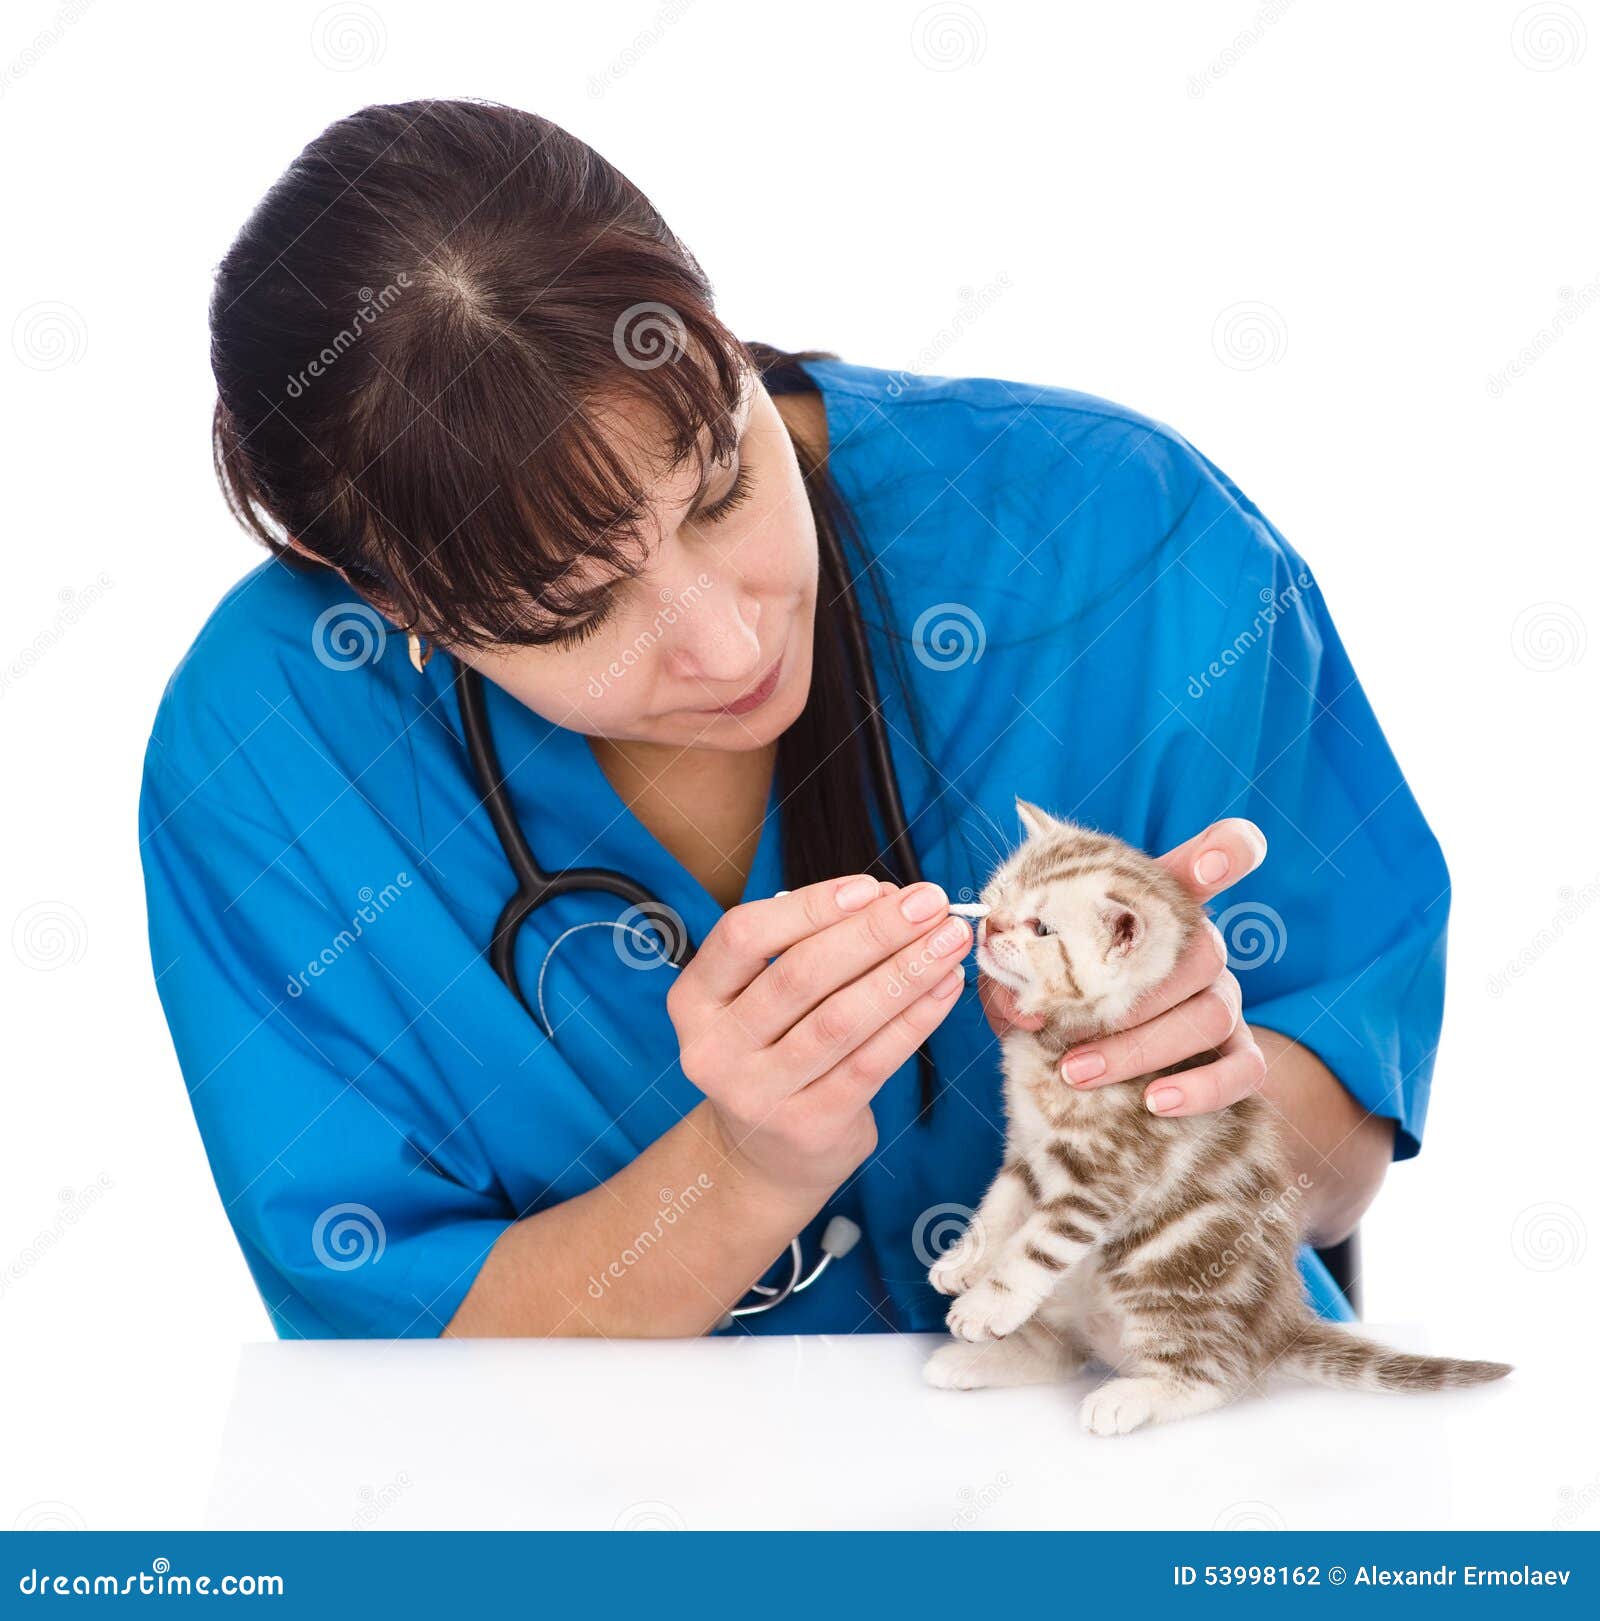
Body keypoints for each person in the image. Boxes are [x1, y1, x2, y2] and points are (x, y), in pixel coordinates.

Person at [138, 99, 1445, 1341]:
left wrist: (1199, 1097)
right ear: (377, 587)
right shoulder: (268, 759)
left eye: (720, 482)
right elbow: (409, 1342)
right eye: (566, 608)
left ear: (715, 333)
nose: (731, 641)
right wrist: (742, 1165)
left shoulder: (1117, 539)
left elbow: (1341, 1156)